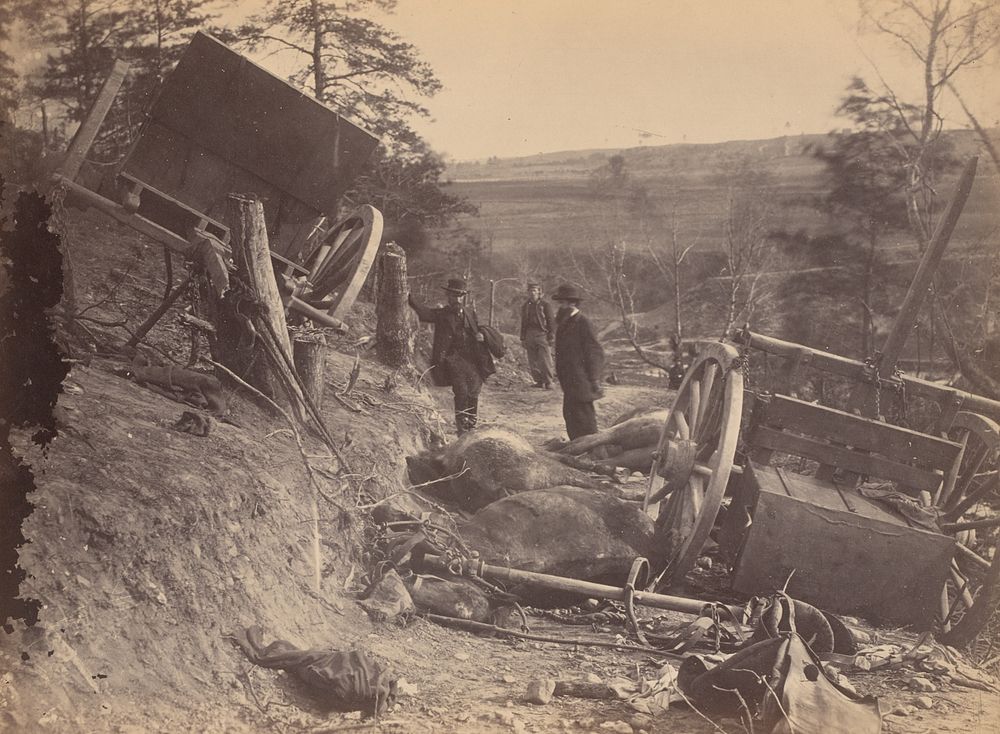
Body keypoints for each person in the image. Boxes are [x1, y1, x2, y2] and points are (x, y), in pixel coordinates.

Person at [409, 277, 494, 435]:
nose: (457, 299)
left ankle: (471, 424)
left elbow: (477, 328)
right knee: (461, 391)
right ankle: (462, 427)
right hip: (453, 358)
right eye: (454, 295)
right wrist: (409, 298)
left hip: (472, 358)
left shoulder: (469, 313)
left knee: (474, 391)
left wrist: (481, 334)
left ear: (463, 297)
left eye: (460, 295)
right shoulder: (442, 314)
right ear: (448, 296)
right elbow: (424, 313)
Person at [552, 284, 605, 439]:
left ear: (572, 303)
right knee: (570, 415)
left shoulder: (583, 323)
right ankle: (576, 446)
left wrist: (594, 379)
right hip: (569, 379)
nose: (559, 307)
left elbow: (595, 352)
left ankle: (590, 449)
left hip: (582, 379)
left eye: (562, 303)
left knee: (584, 417)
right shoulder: (564, 323)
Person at [519, 282, 555, 389]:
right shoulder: (525, 306)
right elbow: (523, 323)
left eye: (535, 290)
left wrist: (551, 335)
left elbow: (550, 321)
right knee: (532, 359)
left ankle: (549, 382)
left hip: (542, 334)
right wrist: (523, 337)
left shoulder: (545, 305)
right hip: (529, 333)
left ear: (539, 292)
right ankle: (539, 381)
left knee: (545, 359)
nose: (532, 293)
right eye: (530, 290)